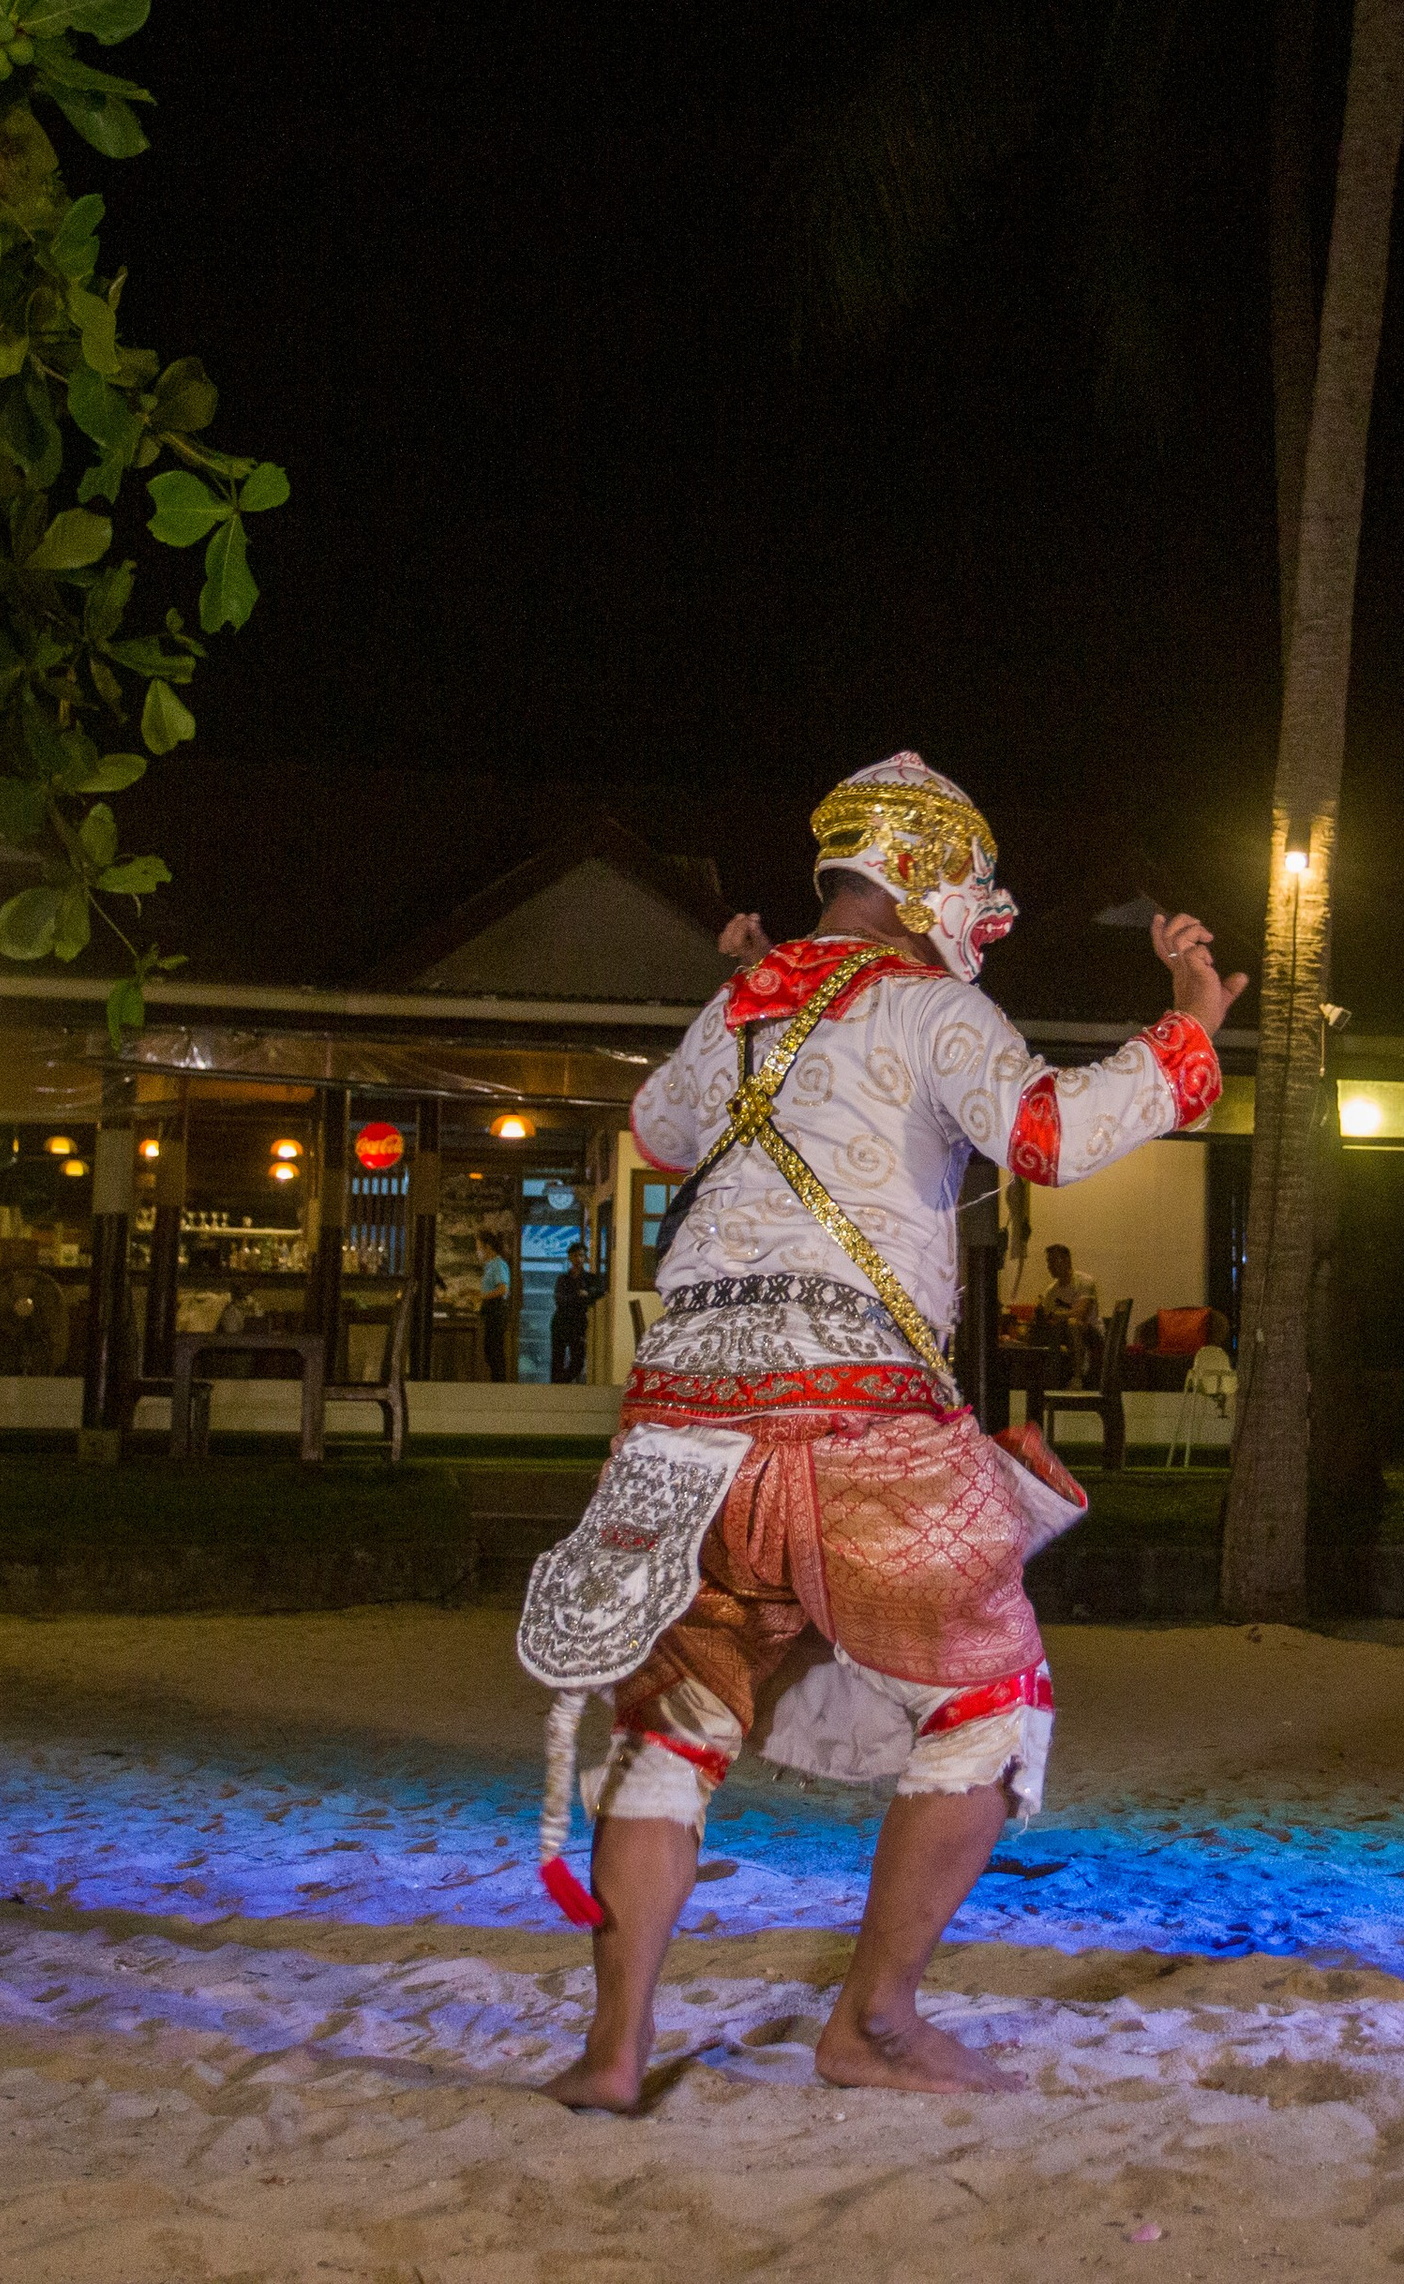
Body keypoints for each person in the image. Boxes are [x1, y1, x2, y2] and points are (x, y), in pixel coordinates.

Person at [531, 752, 1243, 2106]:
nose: (987, 916)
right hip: (853, 1411)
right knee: (989, 1707)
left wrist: (758, 996)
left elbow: (659, 1133)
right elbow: (1047, 1134)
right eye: (976, 886)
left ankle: (612, 2054)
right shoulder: (932, 1004)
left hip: (679, 1415)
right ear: (922, 879)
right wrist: (1187, 1027)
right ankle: (875, 2023)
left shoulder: (739, 1006)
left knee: (673, 1723)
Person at [1033, 1241, 1099, 1383]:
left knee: (1073, 1323)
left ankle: (1078, 1377)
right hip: (1064, 1334)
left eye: (1053, 1261)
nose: (1049, 1266)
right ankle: (1045, 1380)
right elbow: (1048, 1319)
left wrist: (1056, 1315)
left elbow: (1082, 1312)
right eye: (1048, 1262)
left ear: (1066, 1260)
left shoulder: (1084, 1281)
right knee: (1042, 1331)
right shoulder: (1051, 1291)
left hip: (1091, 1332)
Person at [550, 1241, 602, 1386]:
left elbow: (599, 1292)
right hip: (561, 1322)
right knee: (557, 1360)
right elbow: (560, 1299)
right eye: (575, 1256)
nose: (578, 1259)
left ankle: (562, 1382)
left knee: (578, 1361)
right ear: (570, 1257)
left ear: (585, 1258)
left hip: (578, 1323)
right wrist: (578, 1296)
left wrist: (587, 1294)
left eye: (581, 1256)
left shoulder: (590, 1278)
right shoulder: (563, 1278)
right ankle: (555, 1388)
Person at [478, 1232, 512, 1382]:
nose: (478, 1251)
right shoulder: (490, 1265)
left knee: (495, 1350)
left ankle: (499, 1383)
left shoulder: (498, 1264)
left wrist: (483, 1296)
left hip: (497, 1311)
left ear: (488, 1247)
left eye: (479, 1247)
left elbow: (503, 1289)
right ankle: (496, 1381)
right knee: (490, 1350)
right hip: (490, 1311)